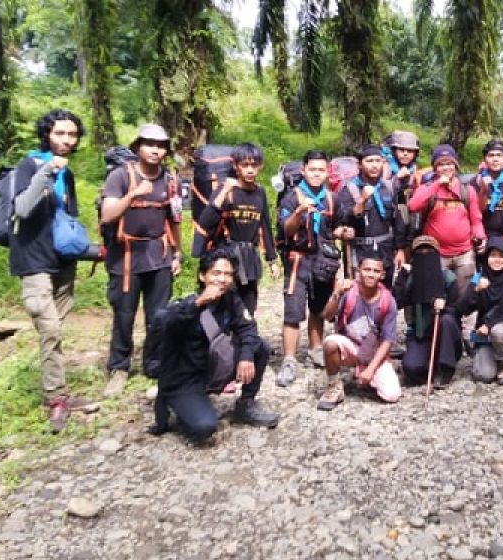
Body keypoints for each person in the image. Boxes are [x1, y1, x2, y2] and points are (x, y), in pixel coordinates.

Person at [9, 109, 98, 431]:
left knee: (54, 333)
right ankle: (56, 399)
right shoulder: (30, 165)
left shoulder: (68, 175)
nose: (66, 140)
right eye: (60, 133)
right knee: (50, 331)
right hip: (33, 261)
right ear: (47, 134)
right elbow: (21, 207)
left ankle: (58, 393)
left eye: (72, 135)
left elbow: (67, 223)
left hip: (62, 262)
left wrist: (92, 252)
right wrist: (47, 171)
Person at [148, 250, 279, 444]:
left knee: (259, 347)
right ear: (203, 276)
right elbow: (168, 323)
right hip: (185, 379)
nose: (223, 279)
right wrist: (199, 303)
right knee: (205, 428)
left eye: (228, 274)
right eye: (216, 273)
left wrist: (245, 356)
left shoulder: (230, 300)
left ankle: (246, 405)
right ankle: (174, 403)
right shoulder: (185, 305)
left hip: (211, 369)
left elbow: (248, 328)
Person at [100, 123, 183, 398]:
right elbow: (107, 215)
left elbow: (174, 219)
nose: (155, 150)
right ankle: (120, 367)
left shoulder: (169, 180)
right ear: (137, 147)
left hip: (158, 255)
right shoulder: (120, 176)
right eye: (149, 144)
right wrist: (133, 195)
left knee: (159, 316)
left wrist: (177, 252)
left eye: (160, 146)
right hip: (125, 257)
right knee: (124, 315)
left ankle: (154, 363)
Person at [276, 150, 343, 386]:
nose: (316, 174)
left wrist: (343, 232)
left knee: (318, 308)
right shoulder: (291, 197)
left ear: (327, 172)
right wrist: (299, 211)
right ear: (304, 170)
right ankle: (289, 360)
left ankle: (316, 350)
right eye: (312, 169)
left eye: (321, 170)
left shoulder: (331, 198)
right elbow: (286, 230)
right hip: (298, 261)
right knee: (293, 311)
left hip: (322, 262)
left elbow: (333, 227)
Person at [194, 142, 280, 315]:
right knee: (223, 305)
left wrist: (272, 260)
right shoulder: (227, 189)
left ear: (260, 166)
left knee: (249, 306)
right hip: (227, 255)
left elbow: (265, 226)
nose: (249, 170)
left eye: (254, 165)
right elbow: (205, 220)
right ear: (235, 166)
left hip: (249, 256)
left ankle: (244, 339)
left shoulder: (260, 192)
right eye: (245, 165)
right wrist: (224, 191)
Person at [317, 252, 402, 410]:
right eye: (367, 269)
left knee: (392, 395)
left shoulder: (388, 301)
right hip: (351, 346)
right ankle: (334, 386)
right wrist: (337, 293)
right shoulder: (349, 292)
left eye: (376, 271)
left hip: (373, 352)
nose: (371, 274)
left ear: (383, 275)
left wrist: (370, 370)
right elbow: (327, 315)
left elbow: (388, 341)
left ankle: (366, 374)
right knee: (330, 343)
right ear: (358, 271)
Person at [408, 144, 485, 299]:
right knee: (438, 295)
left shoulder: (466, 190)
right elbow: (413, 206)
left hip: (464, 252)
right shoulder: (427, 188)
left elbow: (476, 219)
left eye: (449, 163)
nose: (445, 167)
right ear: (435, 168)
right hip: (437, 254)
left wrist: (480, 236)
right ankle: (442, 323)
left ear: (455, 166)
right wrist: (437, 184)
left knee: (466, 294)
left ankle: (463, 323)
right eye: (441, 164)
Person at [395, 236, 464, 387]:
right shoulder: (410, 278)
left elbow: (458, 310)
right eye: (420, 252)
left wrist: (445, 306)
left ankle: (445, 369)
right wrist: (402, 277)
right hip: (420, 334)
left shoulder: (448, 277)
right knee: (411, 368)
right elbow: (396, 303)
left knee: (446, 320)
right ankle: (429, 364)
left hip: (445, 334)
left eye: (429, 251)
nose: (424, 254)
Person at [336, 144, 407, 289]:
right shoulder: (349, 189)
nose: (374, 165)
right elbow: (344, 220)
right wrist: (361, 201)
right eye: (369, 161)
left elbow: (396, 219)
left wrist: (400, 249)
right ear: (360, 165)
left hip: (385, 250)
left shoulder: (388, 187)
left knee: (385, 293)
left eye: (377, 160)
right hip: (360, 251)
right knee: (359, 295)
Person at [456, 236, 503, 384]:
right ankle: (491, 355)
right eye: (493, 255)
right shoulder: (479, 278)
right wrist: (476, 290)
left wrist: (490, 325)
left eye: (501, 256)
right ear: (487, 258)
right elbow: (462, 308)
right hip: (484, 335)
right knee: (483, 375)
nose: (497, 260)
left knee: (498, 332)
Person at [475, 139, 503, 262]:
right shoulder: (476, 181)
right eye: (491, 155)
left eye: (499, 155)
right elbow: (476, 211)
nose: (495, 159)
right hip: (484, 237)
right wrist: (484, 190)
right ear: (485, 159)